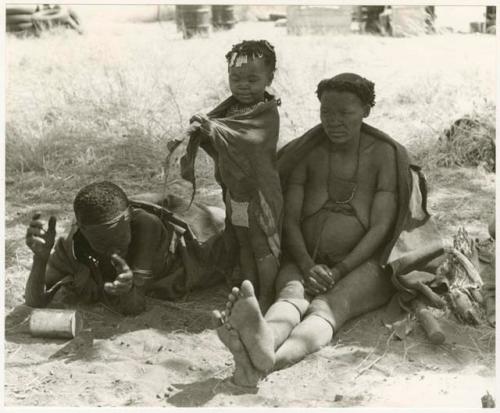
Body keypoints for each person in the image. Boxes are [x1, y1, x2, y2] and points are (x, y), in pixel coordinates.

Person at [212, 73, 433, 386]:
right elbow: (288, 218)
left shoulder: (384, 155)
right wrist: (305, 264)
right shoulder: (309, 151)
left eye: (345, 113)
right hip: (307, 258)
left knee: (328, 308)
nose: (334, 122)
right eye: (327, 113)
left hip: (364, 265)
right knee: (289, 296)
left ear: (366, 110)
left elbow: (382, 227)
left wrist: (340, 270)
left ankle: (268, 362)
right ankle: (264, 340)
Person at [176, 40, 283, 313]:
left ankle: (267, 295)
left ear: (269, 78)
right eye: (235, 78)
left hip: (260, 192)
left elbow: (251, 142)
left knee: (262, 246)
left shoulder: (266, 112)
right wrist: (202, 129)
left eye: (252, 79)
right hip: (235, 190)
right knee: (243, 242)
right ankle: (248, 291)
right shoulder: (228, 110)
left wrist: (216, 130)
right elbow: (221, 141)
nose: (243, 85)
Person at [24, 181, 228, 315]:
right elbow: (35, 300)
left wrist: (130, 288)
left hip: (205, 231)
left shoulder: (147, 226)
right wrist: (40, 260)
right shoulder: (75, 243)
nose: (112, 249)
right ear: (82, 230)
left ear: (130, 217)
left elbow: (134, 307)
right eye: (101, 243)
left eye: (119, 237)